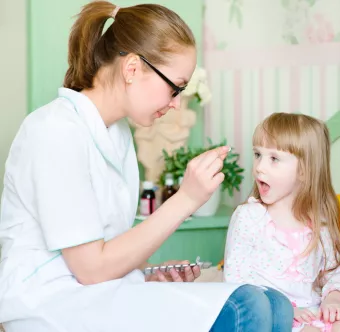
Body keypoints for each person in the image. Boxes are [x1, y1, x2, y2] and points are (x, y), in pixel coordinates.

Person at [0, 2, 293, 331]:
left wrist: (149, 270)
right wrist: (186, 199)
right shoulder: (55, 130)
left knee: (275, 302)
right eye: (174, 87)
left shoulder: (119, 135)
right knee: (245, 306)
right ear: (132, 69)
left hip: (95, 292)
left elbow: (108, 242)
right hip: (50, 302)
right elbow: (91, 268)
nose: (177, 102)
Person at [223, 113, 340, 332]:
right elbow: (237, 280)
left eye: (274, 159)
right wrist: (285, 310)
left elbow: (336, 270)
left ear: (305, 170)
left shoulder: (319, 221)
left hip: (313, 310)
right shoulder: (249, 217)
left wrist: (333, 298)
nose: (260, 167)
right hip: (273, 312)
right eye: (258, 155)